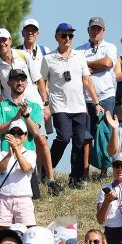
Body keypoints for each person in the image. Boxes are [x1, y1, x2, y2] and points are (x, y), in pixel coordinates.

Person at [39, 23, 103, 188]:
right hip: (59, 105)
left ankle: (75, 179)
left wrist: (96, 103)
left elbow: (87, 81)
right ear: (56, 37)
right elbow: (41, 81)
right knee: (64, 137)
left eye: (70, 36)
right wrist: (45, 103)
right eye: (64, 35)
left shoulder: (80, 56)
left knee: (79, 142)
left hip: (79, 106)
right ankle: (47, 171)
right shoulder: (48, 59)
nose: (67, 39)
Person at [77, 17, 120, 167]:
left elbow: (108, 63)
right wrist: (97, 66)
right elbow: (77, 71)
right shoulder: (79, 49)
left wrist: (86, 64)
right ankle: (85, 170)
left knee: (105, 133)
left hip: (106, 95)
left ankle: (104, 168)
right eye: (93, 28)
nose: (96, 32)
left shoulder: (110, 47)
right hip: (86, 98)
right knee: (86, 136)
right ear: (88, 30)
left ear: (104, 31)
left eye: (98, 29)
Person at [0, 120, 37, 227]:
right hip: (4, 198)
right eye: (13, 133)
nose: (16, 135)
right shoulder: (0, 154)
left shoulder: (30, 153)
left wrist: (16, 148)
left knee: (27, 232)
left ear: (25, 136)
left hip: (23, 198)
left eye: (20, 133)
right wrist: (9, 155)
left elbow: (26, 168)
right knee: (5, 233)